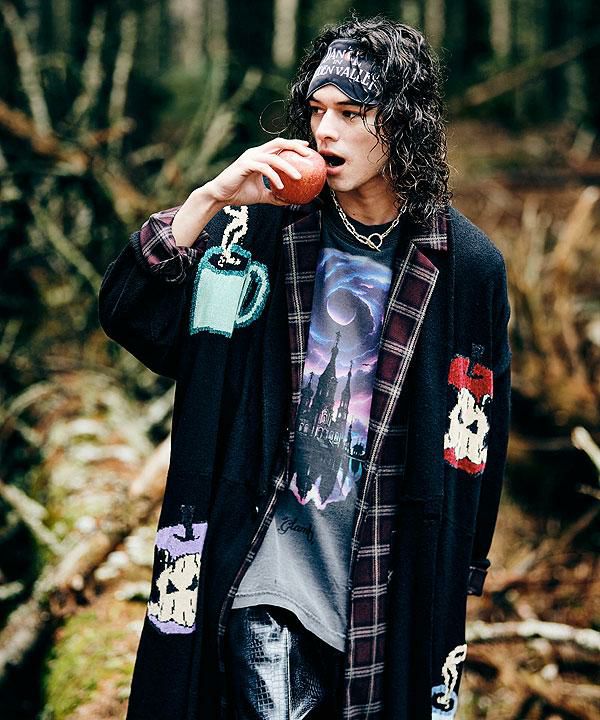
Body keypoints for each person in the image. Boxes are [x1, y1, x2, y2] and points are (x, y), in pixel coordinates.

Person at [99, 14, 511, 720]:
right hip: (263, 560)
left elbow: (480, 434)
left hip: (388, 573)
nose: (326, 131)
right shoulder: (261, 230)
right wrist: (209, 200)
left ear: (402, 122)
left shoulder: (466, 267)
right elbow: (137, 319)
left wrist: (462, 566)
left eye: (352, 113)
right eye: (318, 111)